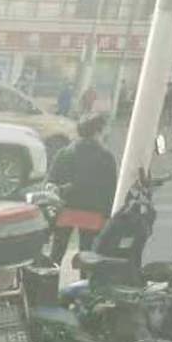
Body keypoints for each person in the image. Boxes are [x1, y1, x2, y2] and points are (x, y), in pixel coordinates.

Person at [48, 113, 117, 270]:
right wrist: (108, 216)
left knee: (56, 255)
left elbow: (51, 182)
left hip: (65, 211)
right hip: (92, 215)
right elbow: (110, 190)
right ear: (98, 132)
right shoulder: (106, 157)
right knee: (87, 257)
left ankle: (49, 280)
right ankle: (84, 283)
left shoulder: (64, 153)